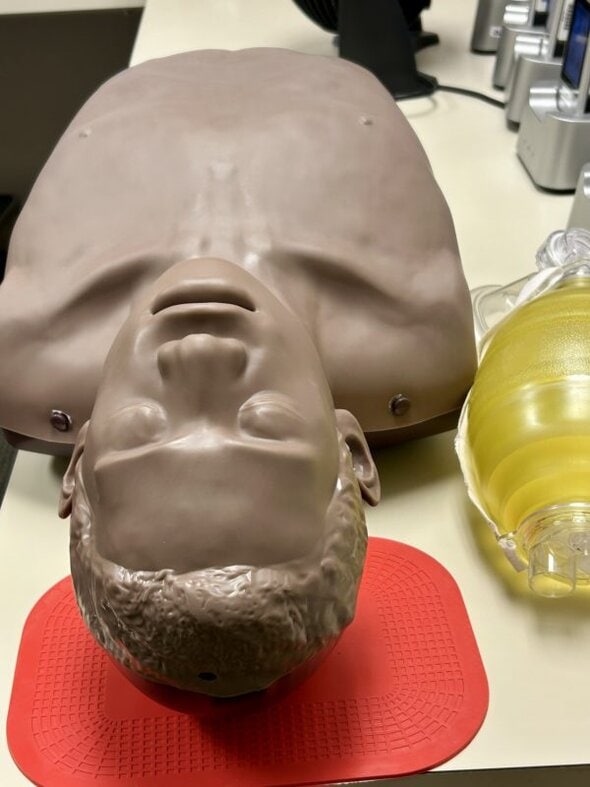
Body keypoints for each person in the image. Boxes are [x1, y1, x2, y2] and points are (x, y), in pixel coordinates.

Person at [1, 48, 475, 694]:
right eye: (264, 420)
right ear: (354, 451)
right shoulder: (422, 334)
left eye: (143, 425)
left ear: (79, 458)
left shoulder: (31, 342)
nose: (200, 354)